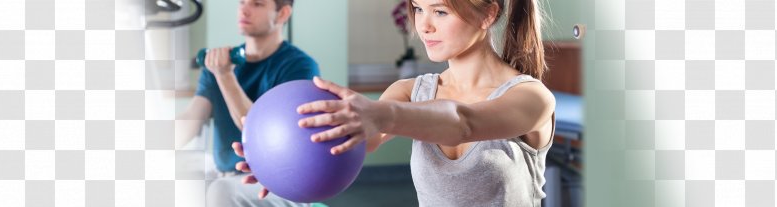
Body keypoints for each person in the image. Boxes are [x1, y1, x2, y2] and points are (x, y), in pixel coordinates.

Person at [234, 0, 556, 205]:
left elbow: (464, 122)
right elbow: (360, 139)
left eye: (440, 11)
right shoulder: (408, 92)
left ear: (487, 14)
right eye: (418, 8)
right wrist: (276, 157)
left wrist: (381, 115)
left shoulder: (532, 98)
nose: (424, 25)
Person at [176, 0, 318, 206]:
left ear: (282, 14)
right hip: (225, 175)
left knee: (222, 191)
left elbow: (262, 134)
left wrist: (225, 75)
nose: (244, 9)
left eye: (257, 4)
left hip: (279, 183)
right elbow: (192, 117)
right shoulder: (217, 64)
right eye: (242, 2)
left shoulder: (299, 67)